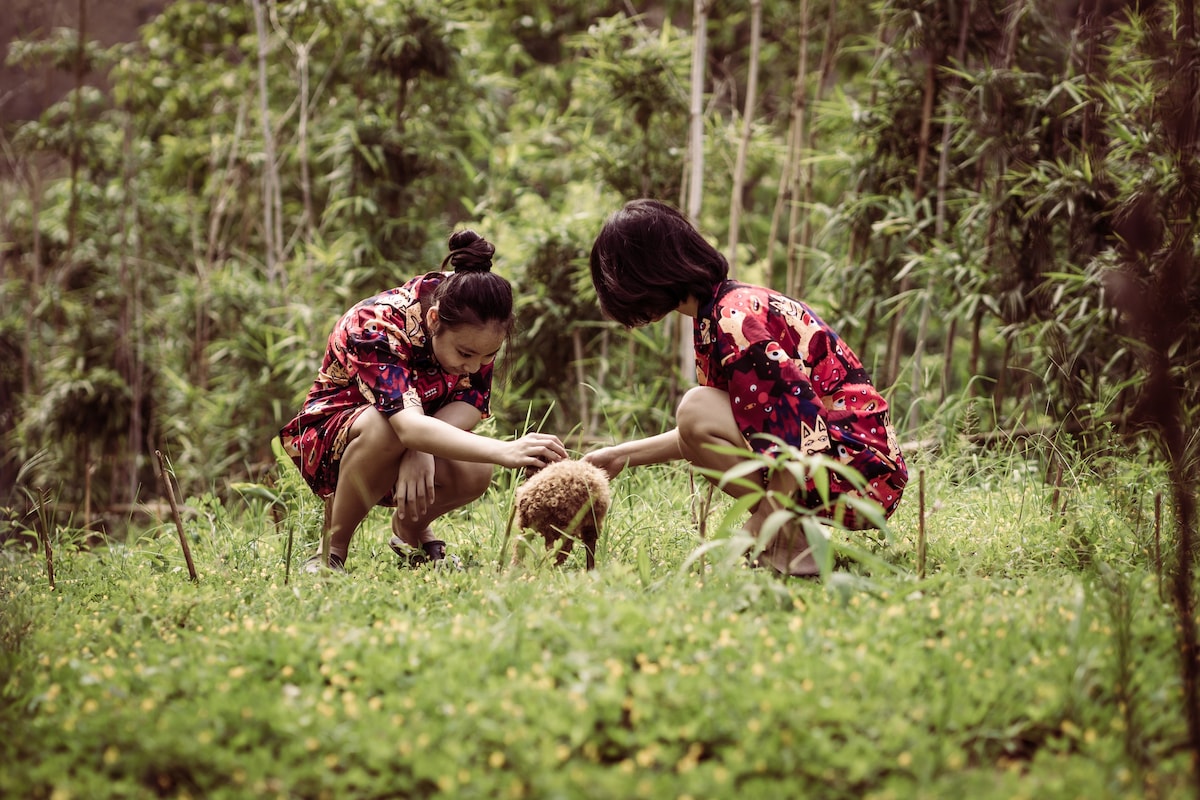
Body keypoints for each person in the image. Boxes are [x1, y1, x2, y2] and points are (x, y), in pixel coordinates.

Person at [582, 199, 907, 576]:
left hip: (861, 468)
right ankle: (794, 540)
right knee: (695, 421)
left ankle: (790, 543)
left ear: (645, 273)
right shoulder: (716, 313)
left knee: (694, 408)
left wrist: (759, 527)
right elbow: (713, 428)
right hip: (842, 460)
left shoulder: (735, 319)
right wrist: (620, 455)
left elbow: (802, 432)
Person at [279, 229, 567, 573]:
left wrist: (422, 447)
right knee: (384, 427)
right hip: (334, 438)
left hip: (412, 433)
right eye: (466, 354)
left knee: (476, 468)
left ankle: (410, 531)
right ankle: (332, 551)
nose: (475, 366)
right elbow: (404, 424)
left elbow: (472, 402)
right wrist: (506, 451)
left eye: (489, 356)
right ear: (434, 320)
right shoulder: (375, 325)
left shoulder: (476, 316)